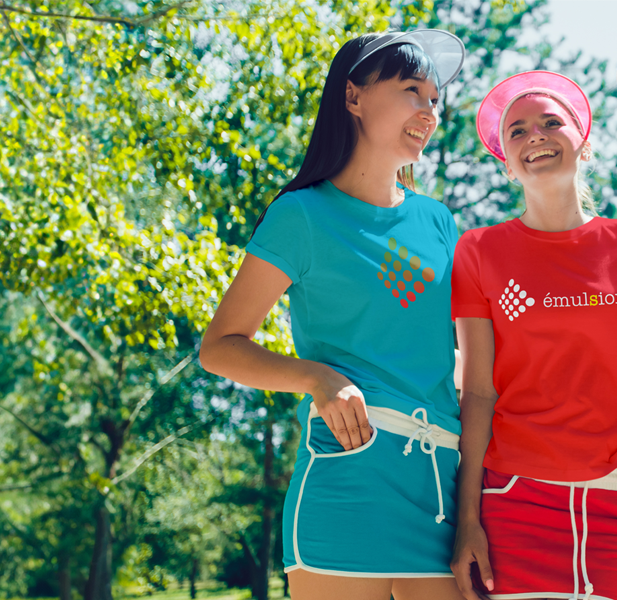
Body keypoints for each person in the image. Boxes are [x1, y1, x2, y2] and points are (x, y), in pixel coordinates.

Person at [198, 30, 468, 600]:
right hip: (349, 475)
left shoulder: (439, 223)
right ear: (353, 97)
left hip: (440, 485)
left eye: (434, 99)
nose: (429, 110)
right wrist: (317, 378)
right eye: (412, 91)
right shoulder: (301, 215)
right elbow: (220, 346)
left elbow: (456, 357)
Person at [445, 70, 617, 600]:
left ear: (581, 144)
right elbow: (477, 391)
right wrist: (467, 517)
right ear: (505, 161)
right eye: (517, 131)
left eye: (550, 122)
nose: (535, 136)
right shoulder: (478, 252)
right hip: (516, 500)